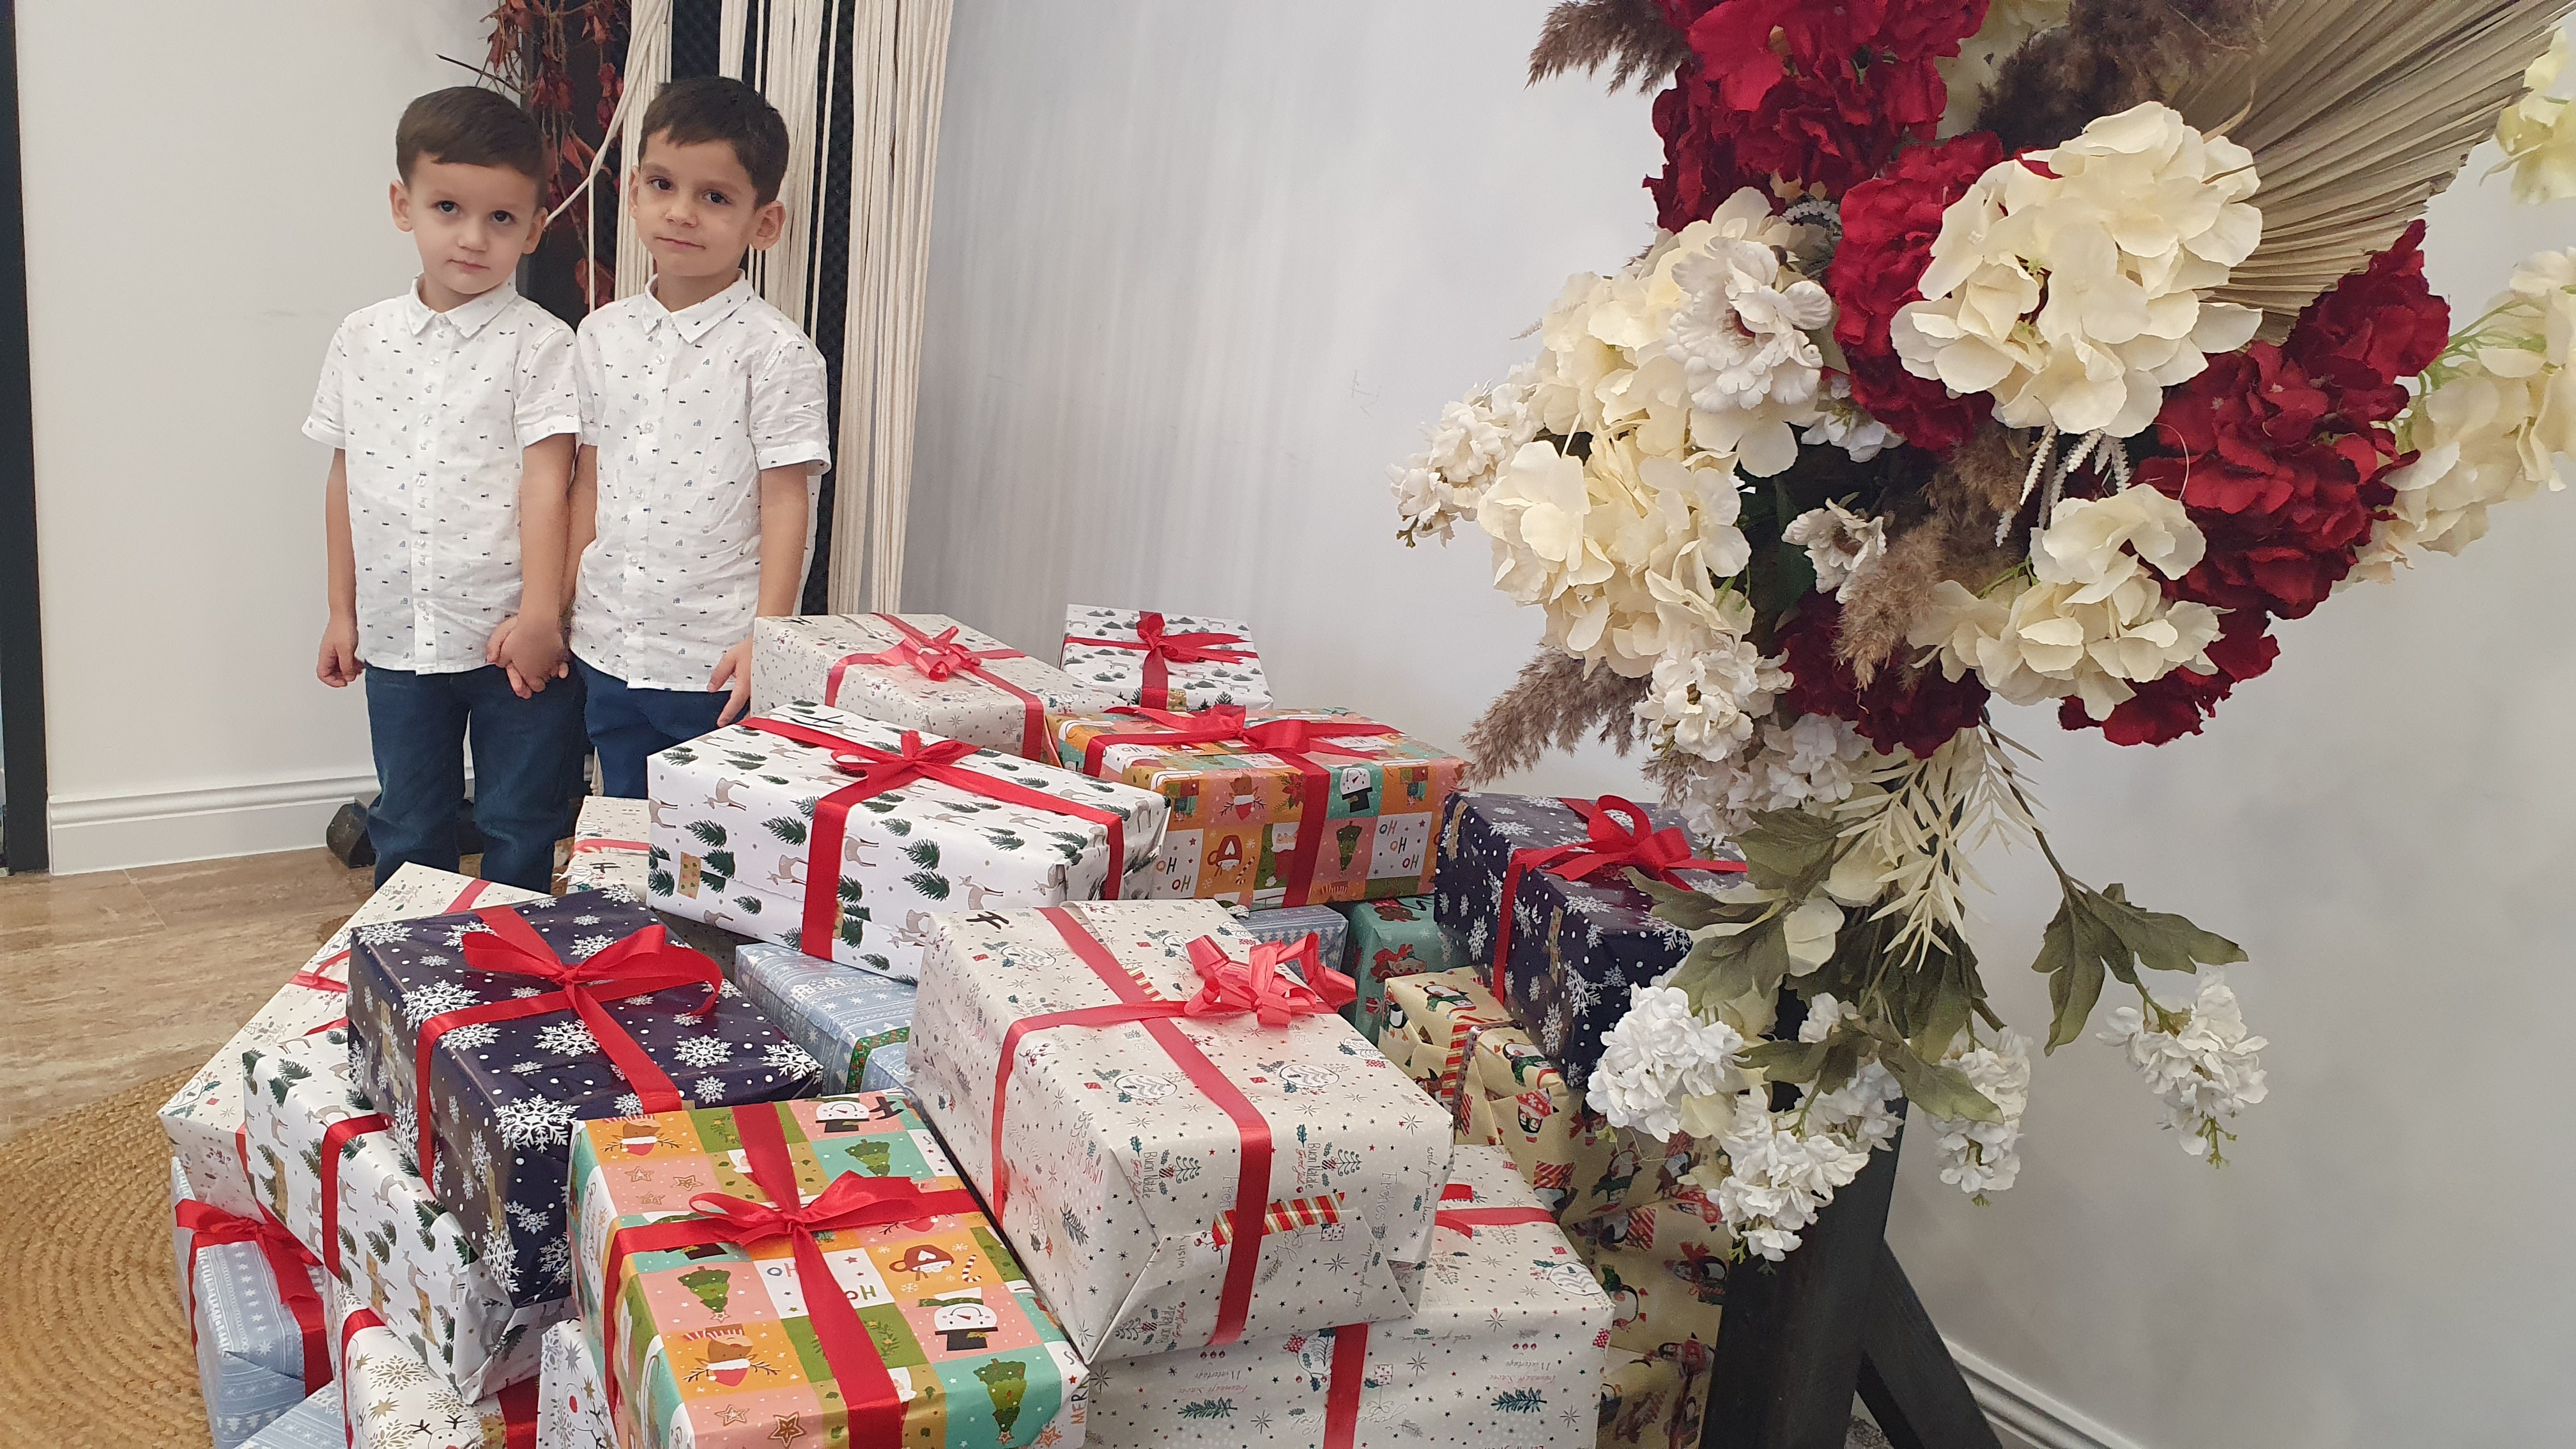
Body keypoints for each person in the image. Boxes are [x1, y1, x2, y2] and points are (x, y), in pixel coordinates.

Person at [309, 87, 585, 893]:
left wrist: (542, 617)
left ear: (534, 228)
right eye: (448, 209)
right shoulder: (361, 338)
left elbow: (551, 485)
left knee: (520, 817)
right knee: (407, 818)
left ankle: (513, 956)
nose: (472, 237)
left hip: (509, 638)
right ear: (405, 206)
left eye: (501, 218)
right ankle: (414, 959)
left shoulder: (542, 344)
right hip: (399, 635)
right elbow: (346, 477)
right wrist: (342, 611)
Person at [553, 76, 831, 798]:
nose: (681, 212)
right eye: (662, 185)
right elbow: (590, 478)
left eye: (714, 196)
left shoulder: (777, 353)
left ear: (763, 224)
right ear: (633, 192)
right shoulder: (600, 334)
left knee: (711, 838)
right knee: (623, 820)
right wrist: (560, 604)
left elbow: (786, 502)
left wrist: (768, 640)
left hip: (714, 659)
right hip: (609, 643)